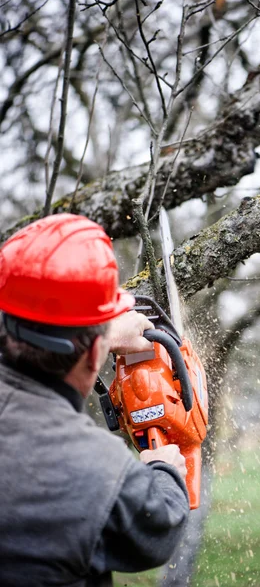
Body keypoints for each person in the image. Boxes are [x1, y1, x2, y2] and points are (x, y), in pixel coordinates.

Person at [0, 213, 189, 587]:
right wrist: (164, 472)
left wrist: (102, 333)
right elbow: (158, 528)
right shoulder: (101, 472)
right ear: (92, 356)